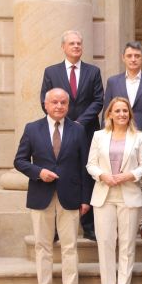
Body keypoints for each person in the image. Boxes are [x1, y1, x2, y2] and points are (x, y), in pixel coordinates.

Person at [14, 88, 91, 284]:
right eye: (55, 102)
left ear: (68, 106)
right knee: (43, 245)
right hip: (41, 195)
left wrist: (85, 199)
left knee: (69, 245)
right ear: (45, 104)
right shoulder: (32, 129)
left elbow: (84, 166)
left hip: (70, 196)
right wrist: (39, 172)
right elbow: (19, 161)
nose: (59, 106)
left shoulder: (78, 130)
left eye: (63, 103)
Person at [40, 30, 104, 241]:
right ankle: (57, 228)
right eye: (72, 43)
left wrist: (78, 123)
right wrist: (65, 122)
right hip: (59, 132)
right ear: (63, 47)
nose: (76, 46)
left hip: (86, 131)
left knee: (88, 173)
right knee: (63, 172)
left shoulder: (93, 72)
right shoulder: (51, 72)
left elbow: (98, 101)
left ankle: (88, 225)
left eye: (79, 43)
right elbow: (45, 101)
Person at [86, 97, 142, 284]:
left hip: (128, 195)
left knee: (127, 244)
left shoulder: (139, 137)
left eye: (125, 111)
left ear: (129, 114)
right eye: (117, 111)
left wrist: (128, 175)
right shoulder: (98, 136)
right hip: (104, 194)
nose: (122, 114)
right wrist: (102, 175)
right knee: (105, 243)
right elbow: (91, 164)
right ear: (110, 114)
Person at [104, 41, 142, 244]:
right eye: (130, 56)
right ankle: (120, 225)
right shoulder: (113, 82)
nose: (133, 59)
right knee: (119, 179)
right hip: (118, 139)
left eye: (137, 56)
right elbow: (107, 111)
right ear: (123, 58)